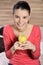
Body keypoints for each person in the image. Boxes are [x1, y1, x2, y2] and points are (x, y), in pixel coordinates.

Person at [3, 1, 41, 65]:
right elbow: (8, 56)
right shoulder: (7, 29)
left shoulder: (36, 29)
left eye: (24, 17)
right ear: (13, 16)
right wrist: (13, 48)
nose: (20, 21)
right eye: (17, 17)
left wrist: (33, 48)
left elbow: (36, 56)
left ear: (29, 16)